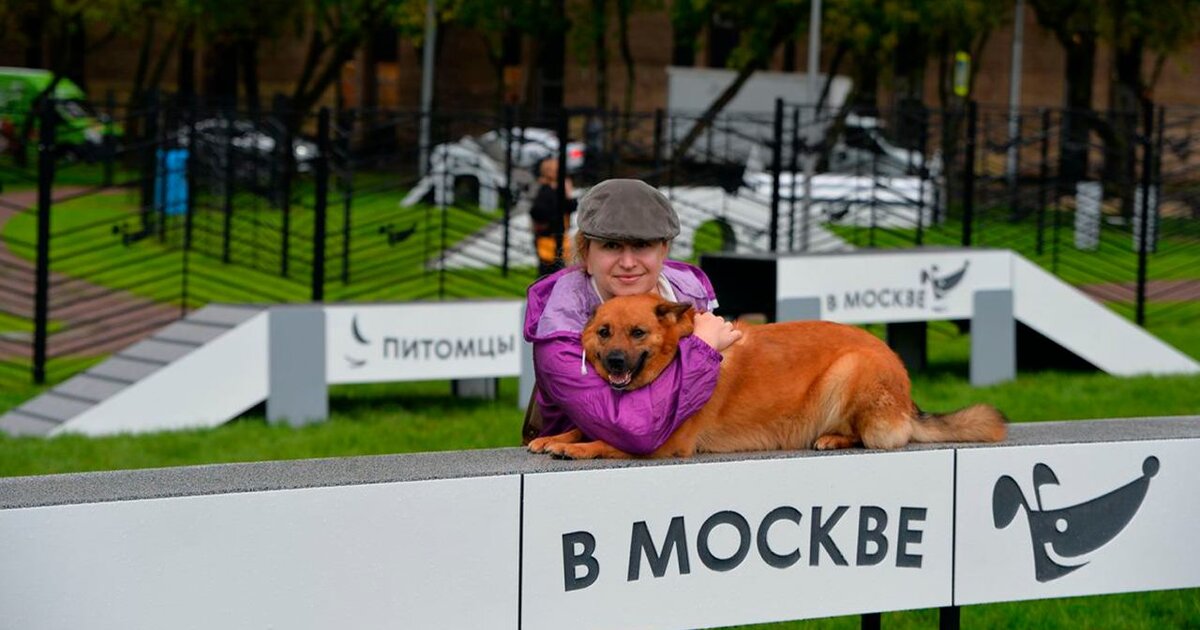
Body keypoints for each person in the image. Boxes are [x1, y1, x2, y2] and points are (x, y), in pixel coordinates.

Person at [522, 178, 742, 454]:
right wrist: (703, 349)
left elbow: (695, 412)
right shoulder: (560, 330)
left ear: (664, 250)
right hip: (572, 470)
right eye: (611, 246)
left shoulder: (684, 299)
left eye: (641, 245)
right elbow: (634, 430)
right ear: (586, 253)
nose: (627, 263)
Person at [529, 157, 577, 277]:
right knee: (549, 274)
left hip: (559, 238)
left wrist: (567, 194)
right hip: (548, 238)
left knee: (559, 273)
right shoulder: (546, 191)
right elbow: (537, 212)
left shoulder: (558, 190)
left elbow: (571, 207)